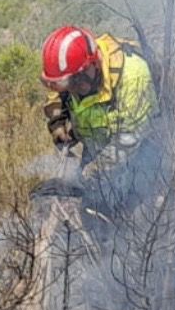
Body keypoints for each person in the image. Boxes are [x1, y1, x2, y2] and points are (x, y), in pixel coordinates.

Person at [39, 25, 158, 211]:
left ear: (91, 67)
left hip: (143, 156)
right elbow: (56, 96)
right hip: (99, 147)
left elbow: (129, 139)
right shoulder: (75, 75)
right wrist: (57, 122)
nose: (72, 92)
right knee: (91, 208)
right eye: (66, 86)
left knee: (137, 219)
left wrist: (86, 176)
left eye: (74, 84)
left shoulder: (133, 77)